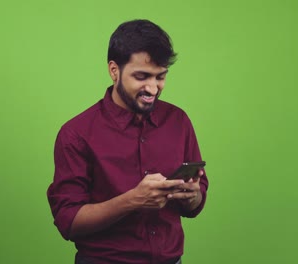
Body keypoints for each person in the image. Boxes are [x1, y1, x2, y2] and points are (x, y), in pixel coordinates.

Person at [47, 19, 209, 264]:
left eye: (160, 77)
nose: (153, 88)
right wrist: (133, 200)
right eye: (142, 76)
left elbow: (197, 201)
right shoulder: (76, 134)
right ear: (114, 70)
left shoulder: (179, 121)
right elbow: (69, 221)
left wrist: (192, 196)